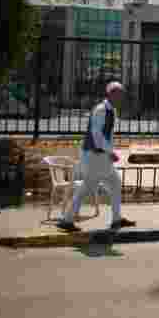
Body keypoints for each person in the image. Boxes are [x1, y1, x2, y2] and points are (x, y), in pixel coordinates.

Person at [55, 81, 136, 232]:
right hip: (94, 156)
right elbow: (97, 135)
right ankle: (67, 220)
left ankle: (116, 219)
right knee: (87, 187)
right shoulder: (101, 110)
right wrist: (110, 151)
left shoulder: (111, 110)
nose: (122, 97)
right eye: (119, 94)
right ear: (111, 94)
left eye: (122, 94)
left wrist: (109, 152)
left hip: (100, 157)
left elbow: (107, 135)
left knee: (115, 182)